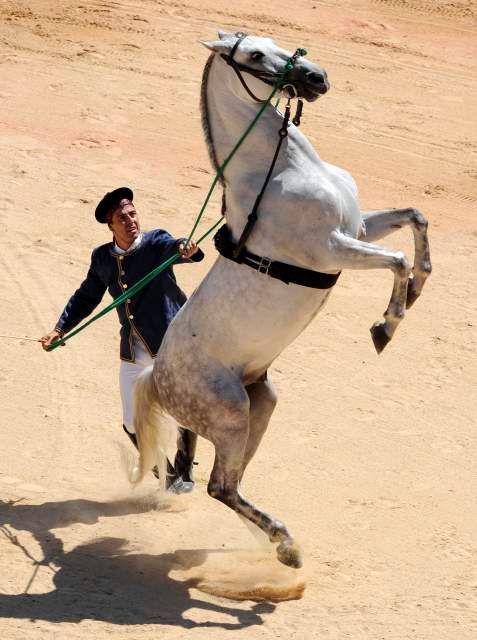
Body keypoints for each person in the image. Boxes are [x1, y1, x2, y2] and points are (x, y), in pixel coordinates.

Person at [39, 187, 203, 492]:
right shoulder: (102, 258)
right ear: (110, 226)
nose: (130, 220)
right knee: (131, 423)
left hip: (170, 344)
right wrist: (60, 329)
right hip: (133, 350)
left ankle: (184, 469)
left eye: (132, 213)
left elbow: (176, 247)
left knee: (182, 409)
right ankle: (166, 478)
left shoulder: (155, 242)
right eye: (121, 217)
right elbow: (87, 296)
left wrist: (185, 248)